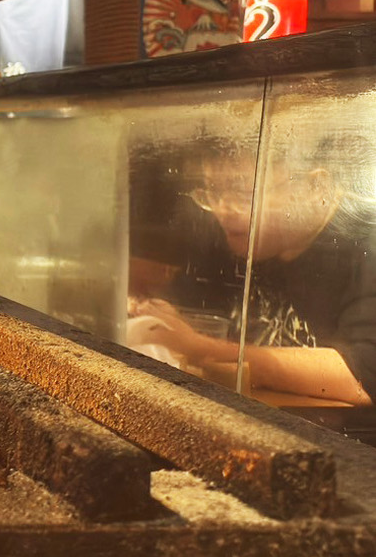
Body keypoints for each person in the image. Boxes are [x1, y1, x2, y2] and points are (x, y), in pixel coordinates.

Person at [130, 132, 376, 406]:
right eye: (212, 191)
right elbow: (183, 311)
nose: (223, 209)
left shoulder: (366, 246)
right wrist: (153, 314)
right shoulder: (238, 237)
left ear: (315, 187)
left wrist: (199, 348)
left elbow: (361, 379)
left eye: (243, 192)